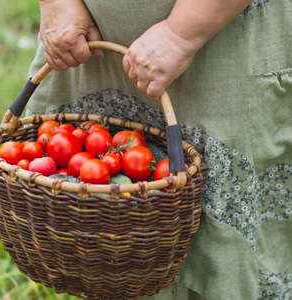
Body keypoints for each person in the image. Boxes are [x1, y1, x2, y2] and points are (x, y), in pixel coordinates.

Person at [26, 0, 292, 299]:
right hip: (92, 50)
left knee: (228, 251)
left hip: (220, 46)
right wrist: (57, 4)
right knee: (113, 240)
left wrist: (180, 34)